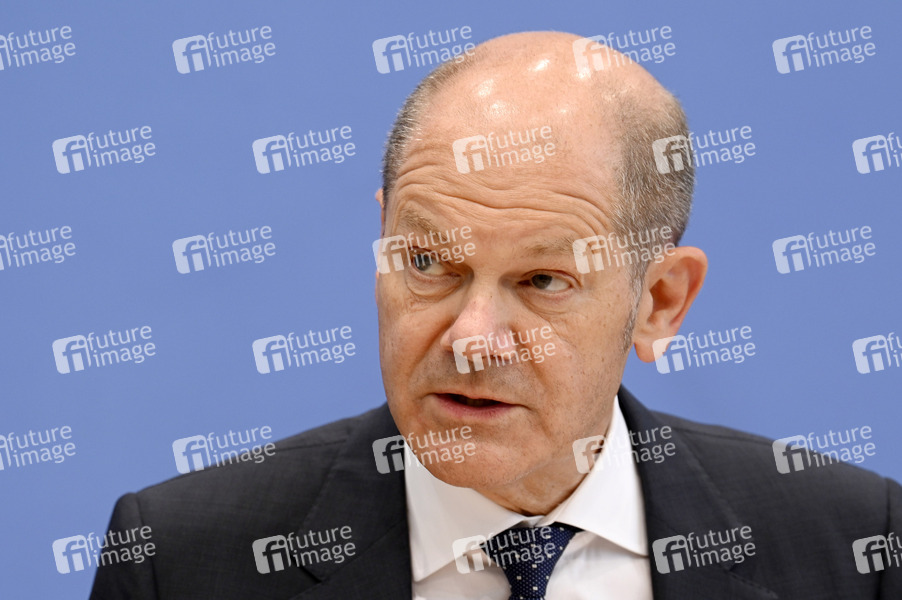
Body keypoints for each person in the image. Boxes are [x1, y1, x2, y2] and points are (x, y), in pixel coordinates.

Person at [90, 31, 902, 599]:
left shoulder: (856, 548)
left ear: (659, 302)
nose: (472, 340)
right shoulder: (180, 561)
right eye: (427, 264)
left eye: (543, 280)